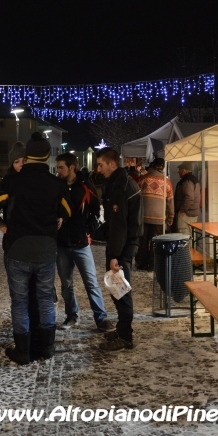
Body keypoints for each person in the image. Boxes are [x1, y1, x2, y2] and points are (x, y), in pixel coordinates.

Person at [0, 132, 72, 365]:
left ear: (27, 156)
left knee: (19, 302)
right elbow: (68, 211)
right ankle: (47, 348)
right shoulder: (56, 184)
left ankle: (23, 351)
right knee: (45, 300)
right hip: (47, 250)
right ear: (49, 156)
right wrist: (57, 218)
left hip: (18, 249)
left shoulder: (13, 182)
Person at [55, 153, 113, 331]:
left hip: (81, 244)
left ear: (72, 167)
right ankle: (71, 315)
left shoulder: (87, 187)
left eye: (61, 168)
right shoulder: (57, 186)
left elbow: (96, 213)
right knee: (66, 284)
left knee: (91, 283)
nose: (58, 171)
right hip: (61, 244)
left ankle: (101, 318)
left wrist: (87, 229)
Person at [96, 147, 143, 351]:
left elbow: (119, 226)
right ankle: (124, 329)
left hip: (123, 246)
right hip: (125, 243)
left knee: (122, 292)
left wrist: (115, 256)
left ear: (112, 164)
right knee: (118, 290)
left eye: (100, 164)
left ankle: (125, 337)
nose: (98, 169)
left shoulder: (120, 187)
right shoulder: (120, 183)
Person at [135, 158, 174, 270]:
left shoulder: (143, 179)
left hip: (143, 216)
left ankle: (141, 263)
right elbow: (170, 201)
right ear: (162, 168)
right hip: (159, 218)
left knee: (143, 241)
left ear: (152, 166)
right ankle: (153, 265)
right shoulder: (167, 182)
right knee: (155, 241)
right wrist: (170, 216)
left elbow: (137, 197)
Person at [173, 161, 200, 236]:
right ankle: (189, 247)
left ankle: (187, 248)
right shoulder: (193, 179)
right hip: (191, 212)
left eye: (180, 170)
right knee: (189, 235)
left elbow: (189, 197)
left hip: (187, 214)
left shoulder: (187, 181)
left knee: (184, 235)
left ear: (184, 171)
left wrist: (182, 210)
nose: (178, 172)